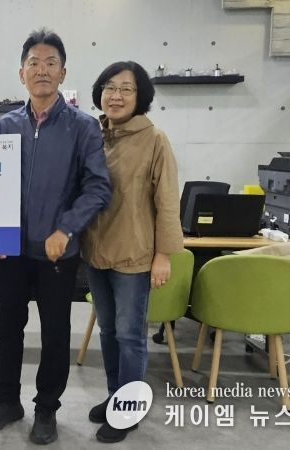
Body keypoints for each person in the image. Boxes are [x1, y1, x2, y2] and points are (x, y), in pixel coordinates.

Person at [0, 29, 112, 445]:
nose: (42, 70)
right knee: (7, 328)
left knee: (54, 333)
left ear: (62, 73)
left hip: (58, 251)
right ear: (22, 74)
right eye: (33, 63)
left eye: (51, 63)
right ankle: (6, 400)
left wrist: (66, 228)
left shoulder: (83, 127)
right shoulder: (6, 124)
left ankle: (47, 407)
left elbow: (98, 187)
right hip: (12, 251)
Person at [82, 61, 183, 443]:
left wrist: (163, 255)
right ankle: (115, 396)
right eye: (110, 87)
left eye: (126, 88)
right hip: (96, 253)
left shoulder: (154, 139)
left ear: (141, 96)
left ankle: (128, 409)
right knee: (108, 331)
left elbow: (167, 201)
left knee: (130, 335)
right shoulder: (94, 135)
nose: (116, 95)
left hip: (134, 257)